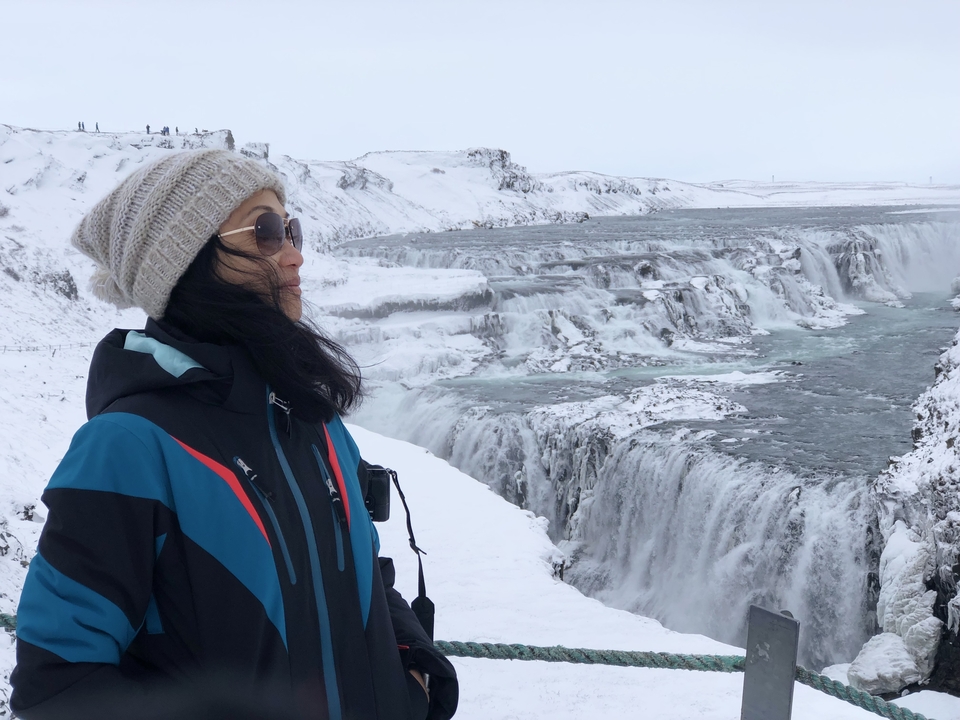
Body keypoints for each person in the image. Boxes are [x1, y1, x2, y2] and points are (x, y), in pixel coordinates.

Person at [10, 150, 458, 720]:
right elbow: (57, 689)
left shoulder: (314, 421)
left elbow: (364, 575)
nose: (295, 254)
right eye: (266, 231)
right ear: (186, 262)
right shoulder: (128, 448)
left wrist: (412, 669)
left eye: (291, 230)